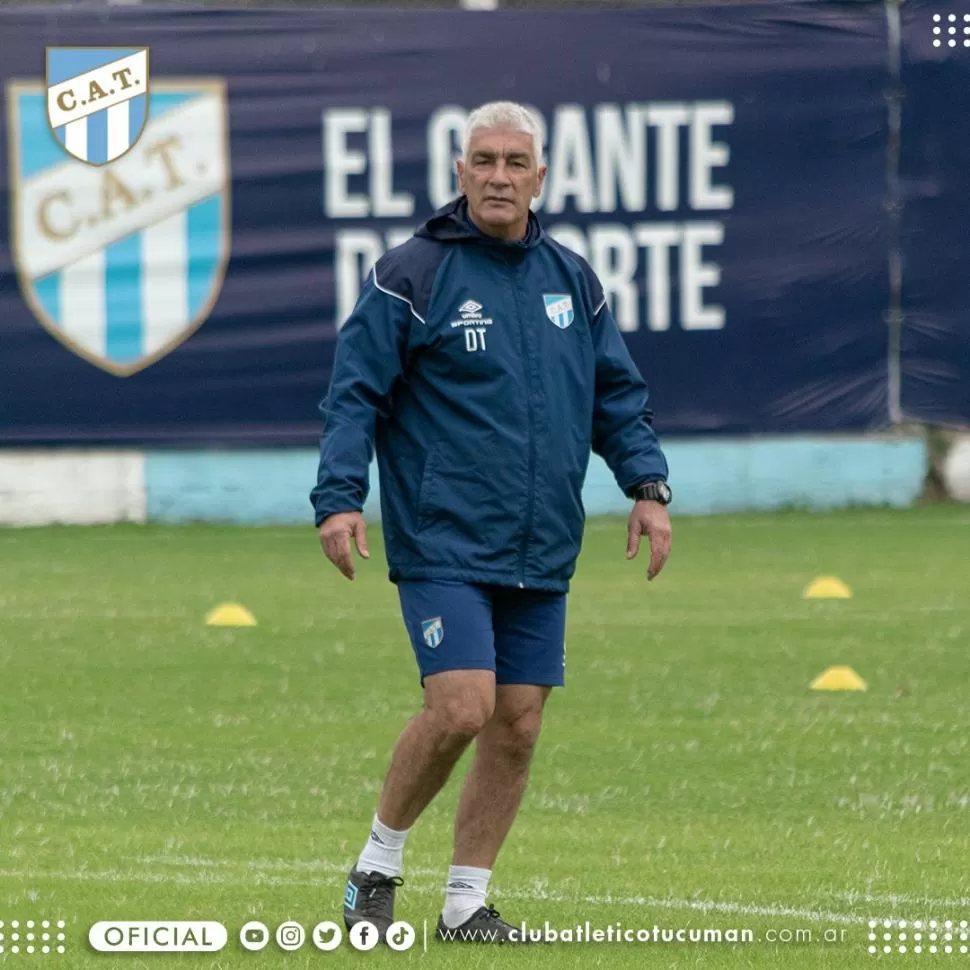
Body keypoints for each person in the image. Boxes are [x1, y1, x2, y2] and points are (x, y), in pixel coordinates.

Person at [310, 100, 672, 944]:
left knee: (519, 720)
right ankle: (377, 865)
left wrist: (647, 487)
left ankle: (467, 903)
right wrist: (338, 499)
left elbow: (617, 397)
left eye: (516, 162)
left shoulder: (573, 281)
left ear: (540, 177)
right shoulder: (411, 276)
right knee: (463, 706)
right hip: (444, 538)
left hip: (541, 542)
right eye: (484, 160)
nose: (500, 175)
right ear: (460, 172)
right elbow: (353, 394)